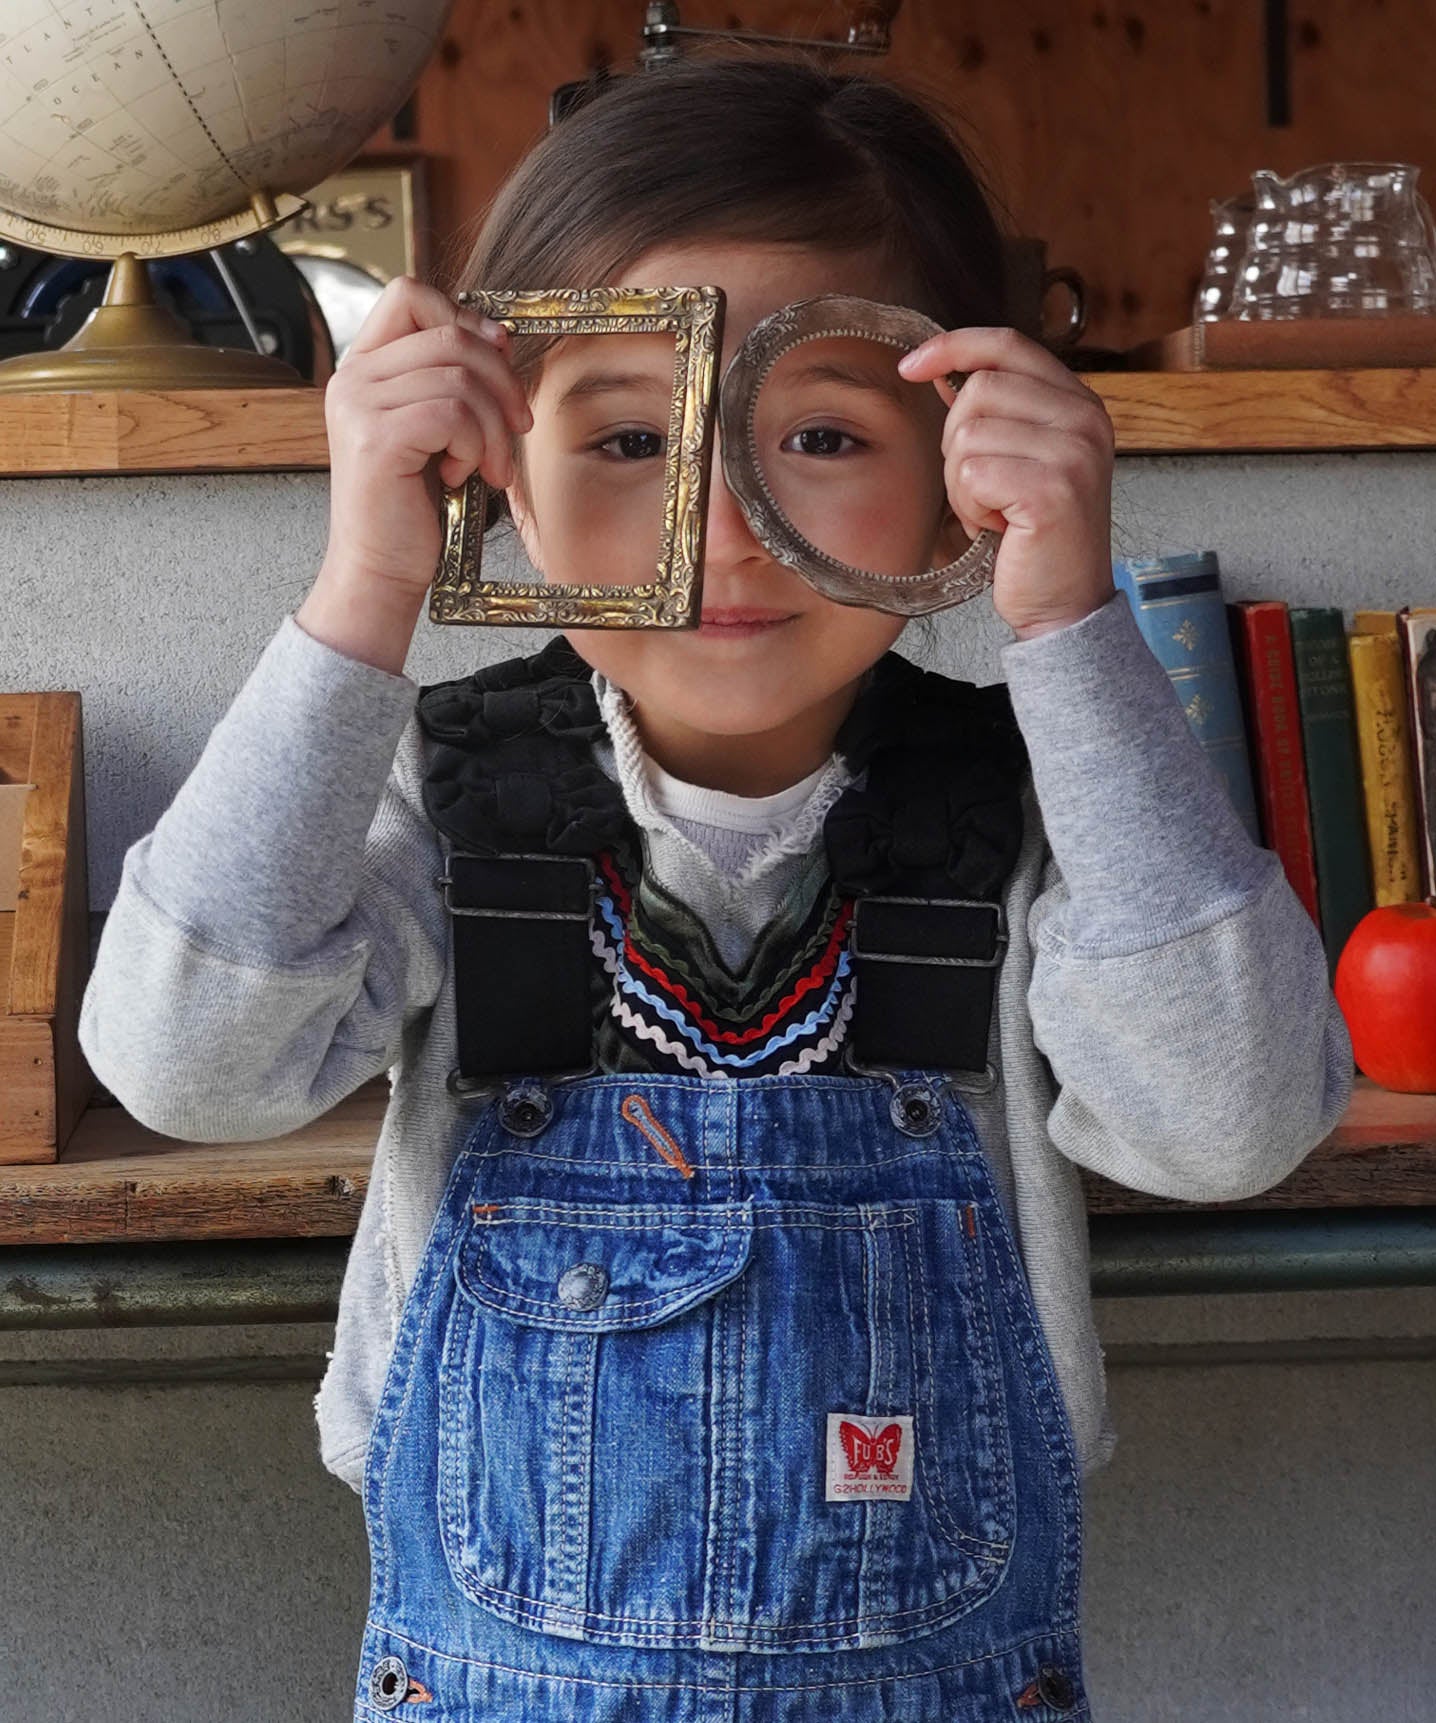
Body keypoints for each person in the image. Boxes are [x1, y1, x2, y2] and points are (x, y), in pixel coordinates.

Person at [78, 55, 1351, 1723]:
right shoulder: (439, 803)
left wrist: (1069, 621)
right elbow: (185, 1067)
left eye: (820, 434)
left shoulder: (1048, 816)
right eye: (627, 436)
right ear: (495, 471)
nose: (728, 527)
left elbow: (1229, 1123)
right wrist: (369, 578)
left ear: (960, 477)